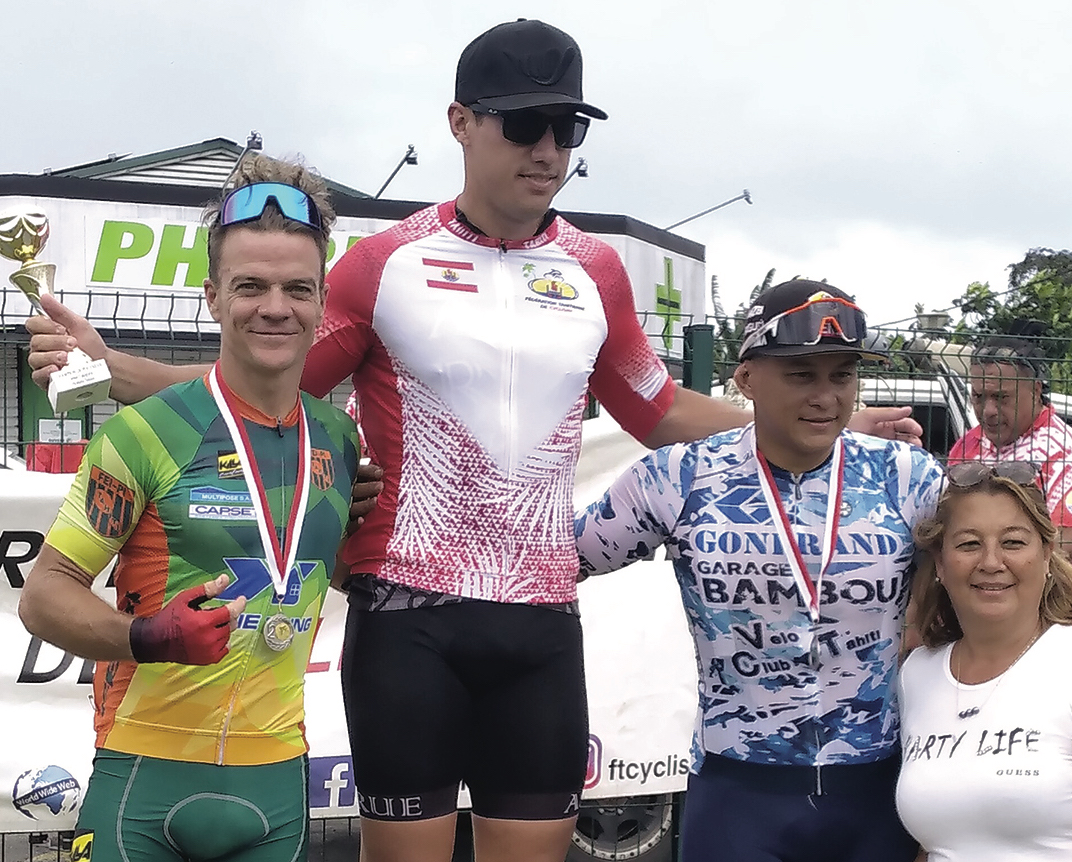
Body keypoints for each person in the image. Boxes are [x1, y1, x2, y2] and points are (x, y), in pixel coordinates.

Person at [23, 22, 925, 862]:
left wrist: (810, 417)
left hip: (539, 622)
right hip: (407, 619)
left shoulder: (596, 269)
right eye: (526, 125)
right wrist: (109, 366)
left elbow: (655, 410)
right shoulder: (385, 263)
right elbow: (262, 382)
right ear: (460, 122)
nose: (548, 152)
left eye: (568, 130)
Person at [574, 279, 1072, 862]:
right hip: (737, 791)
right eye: (802, 374)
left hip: (874, 789)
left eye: (842, 376)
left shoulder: (903, 474)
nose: (825, 397)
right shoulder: (677, 478)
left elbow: (1005, 561)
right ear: (747, 377)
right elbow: (551, 564)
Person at [17, 156, 360, 862]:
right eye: (250, 286)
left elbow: (339, 570)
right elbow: (43, 597)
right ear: (211, 296)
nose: (275, 306)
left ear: (323, 303)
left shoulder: (339, 442)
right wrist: (147, 636)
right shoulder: (143, 432)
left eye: (298, 287)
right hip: (143, 783)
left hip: (278, 789)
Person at [897, 462, 1072, 861]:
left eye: (1012, 542)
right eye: (969, 544)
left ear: (1047, 555)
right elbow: (941, 839)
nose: (991, 562)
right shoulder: (918, 674)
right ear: (940, 563)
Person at [949, 335, 1072, 563]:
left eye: (1001, 397)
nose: (988, 410)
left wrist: (1007, 570)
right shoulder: (969, 443)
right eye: (978, 397)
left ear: (1035, 391)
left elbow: (1070, 537)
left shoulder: (1061, 451)